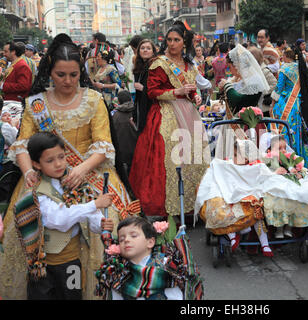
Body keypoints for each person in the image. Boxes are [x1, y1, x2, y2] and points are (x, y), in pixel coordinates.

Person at [0, 34, 139, 300]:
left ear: (81, 72)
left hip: (90, 176)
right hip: (42, 179)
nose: (67, 81)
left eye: (73, 75)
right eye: (60, 74)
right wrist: (29, 171)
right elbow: (21, 145)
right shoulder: (36, 103)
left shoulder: (93, 100)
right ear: (49, 71)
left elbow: (103, 144)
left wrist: (81, 169)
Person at [129, 21, 210, 218]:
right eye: (169, 40)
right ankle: (171, 207)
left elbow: (191, 89)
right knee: (172, 161)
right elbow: (152, 91)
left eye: (176, 40)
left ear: (184, 42)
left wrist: (195, 96)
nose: (172, 43)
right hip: (166, 114)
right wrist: (177, 91)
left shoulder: (190, 65)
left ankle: (193, 205)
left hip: (189, 114)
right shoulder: (159, 63)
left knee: (194, 158)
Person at [19, 132, 115, 299]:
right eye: (50, 160)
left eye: (61, 157)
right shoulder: (38, 191)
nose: (58, 164)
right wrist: (94, 204)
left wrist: (100, 224)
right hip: (44, 267)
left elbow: (90, 217)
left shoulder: (75, 183)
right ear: (36, 164)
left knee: (73, 295)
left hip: (72, 262)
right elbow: (59, 220)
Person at [111, 216, 183, 300]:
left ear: (150, 242)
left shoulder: (163, 265)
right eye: (121, 239)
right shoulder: (120, 273)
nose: (126, 240)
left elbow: (177, 297)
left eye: (133, 236)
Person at [271, 47, 308, 162]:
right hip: (298, 102)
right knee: (296, 129)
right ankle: (297, 157)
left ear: (286, 56)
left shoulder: (284, 69)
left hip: (286, 102)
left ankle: (282, 157)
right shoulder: (301, 67)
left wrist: (272, 103)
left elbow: (279, 88)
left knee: (282, 128)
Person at [218, 43, 269, 115]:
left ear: (237, 65)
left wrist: (227, 85)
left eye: (230, 67)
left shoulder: (254, 80)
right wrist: (222, 90)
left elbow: (238, 100)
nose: (230, 70)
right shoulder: (239, 78)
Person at [132, 39, 157, 135]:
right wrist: (134, 114)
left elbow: (159, 90)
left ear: (153, 51)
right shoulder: (138, 67)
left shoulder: (155, 67)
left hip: (152, 108)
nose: (145, 50)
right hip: (140, 108)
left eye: (148, 48)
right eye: (142, 48)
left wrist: (143, 88)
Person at [111, 90, 138, 176]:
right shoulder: (138, 112)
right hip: (138, 153)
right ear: (131, 99)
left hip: (122, 156)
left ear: (119, 101)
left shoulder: (114, 116)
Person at [247, 46, 277, 117]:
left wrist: (262, 91)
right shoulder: (253, 69)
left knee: (263, 127)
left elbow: (275, 84)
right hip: (256, 106)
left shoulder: (264, 70)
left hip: (264, 107)